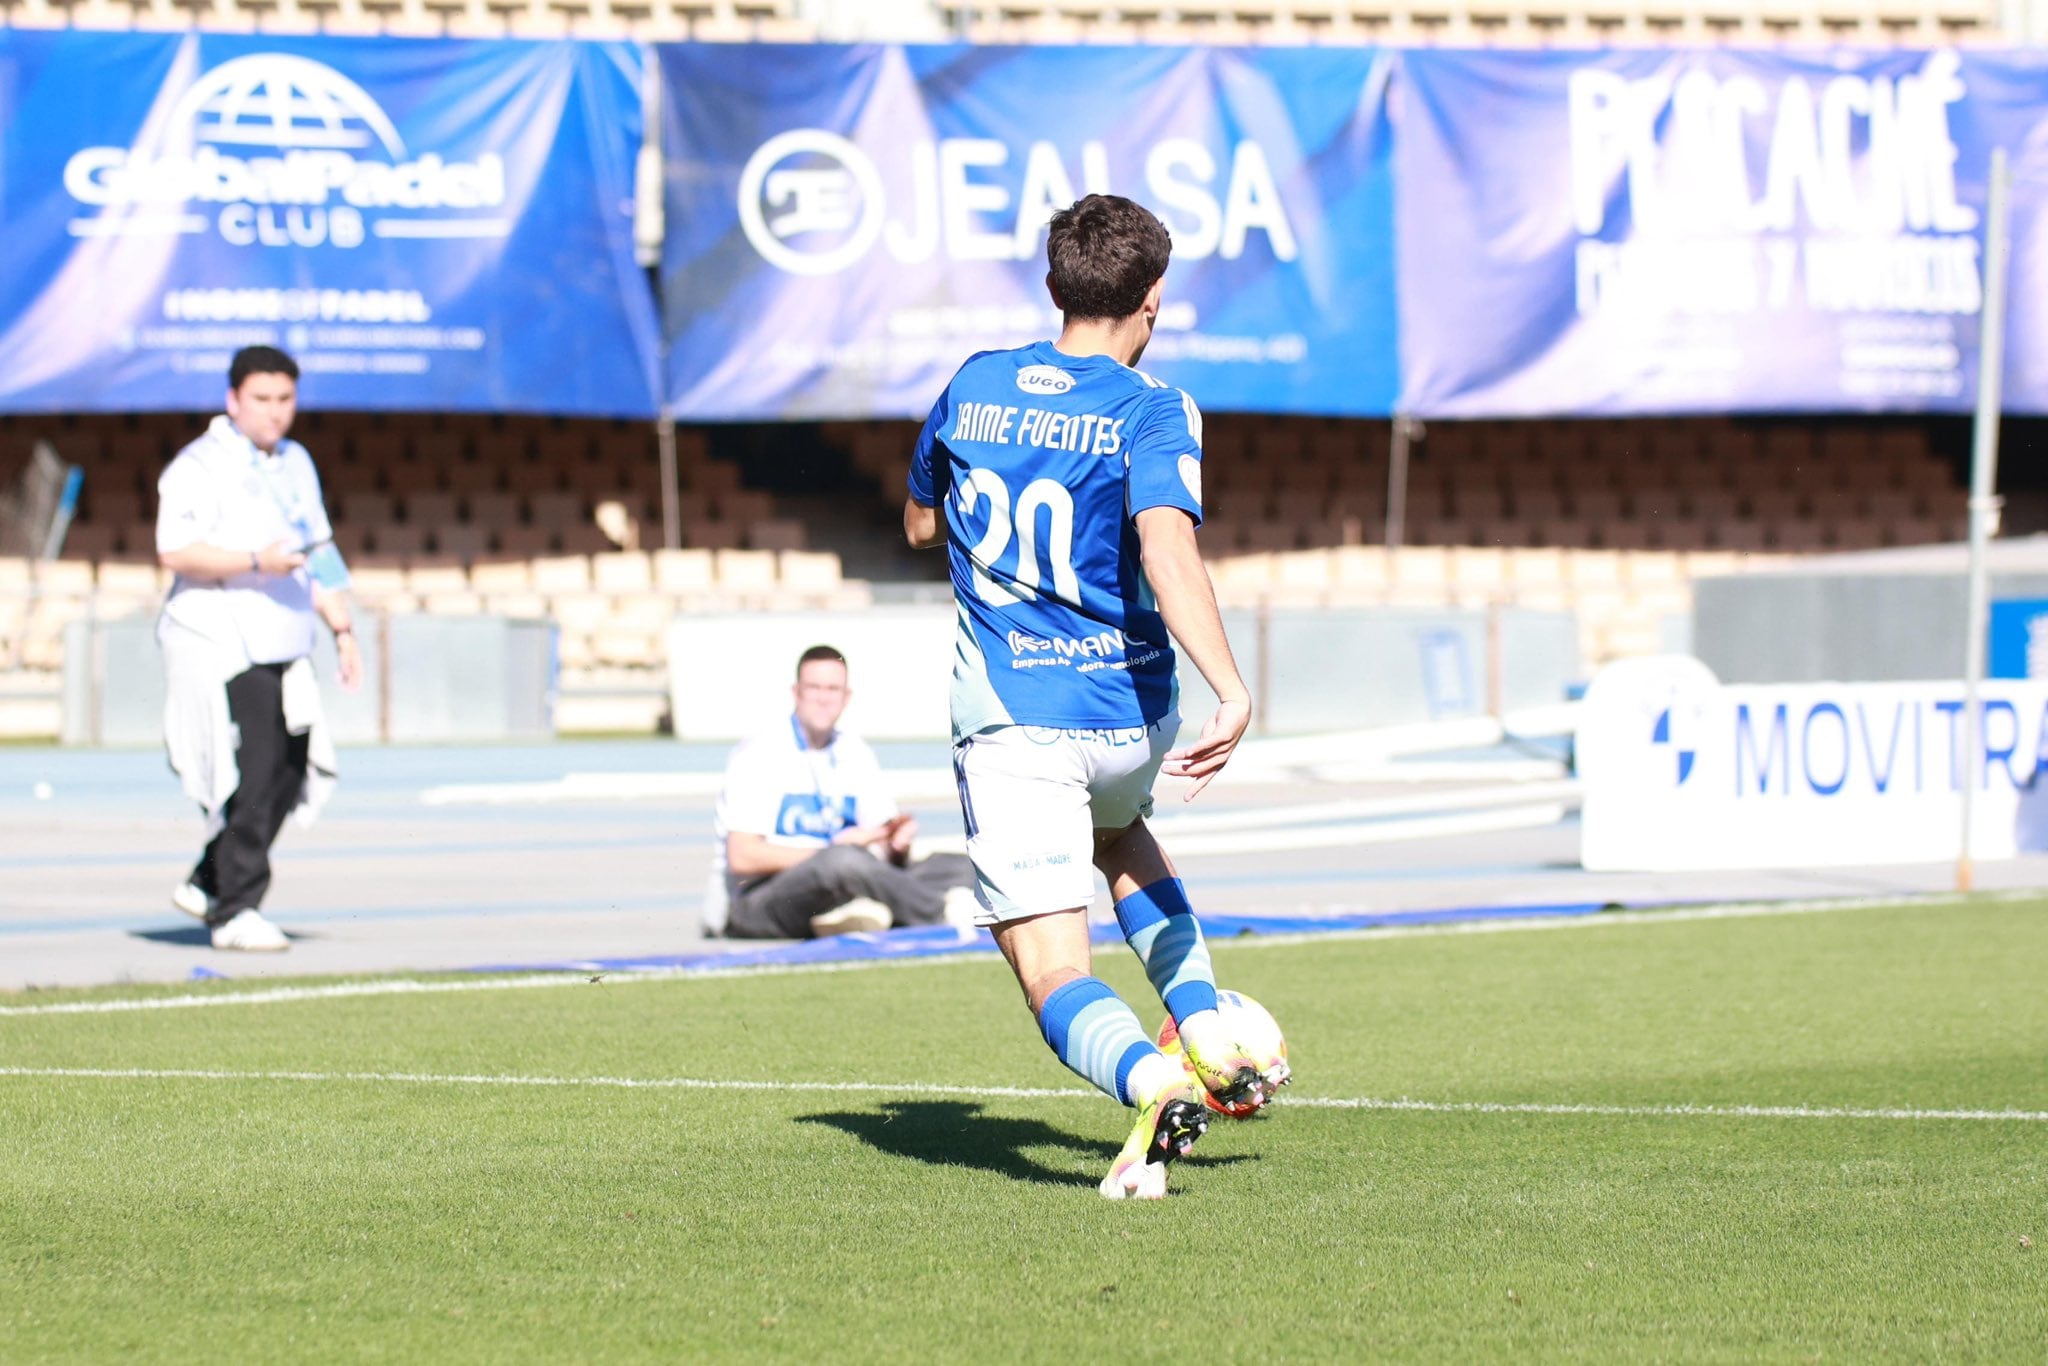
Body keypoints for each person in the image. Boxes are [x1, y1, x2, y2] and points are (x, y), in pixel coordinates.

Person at [904, 193, 1289, 1200]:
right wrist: (1231, 686)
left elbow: (916, 523)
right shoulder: (1154, 407)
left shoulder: (972, 384)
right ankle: (1206, 1026)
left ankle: (1156, 1077)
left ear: (1050, 286)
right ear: (1151, 300)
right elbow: (1166, 540)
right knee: (1120, 835)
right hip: (1128, 713)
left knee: (1051, 973)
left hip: (1013, 718)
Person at [157, 345, 359, 952]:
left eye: (285, 399)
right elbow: (175, 549)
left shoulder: (296, 461)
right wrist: (255, 562)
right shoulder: (199, 465)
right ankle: (236, 909)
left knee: (292, 767)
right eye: (261, 399)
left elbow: (318, 545)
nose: (274, 413)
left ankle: (208, 878)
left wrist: (343, 629)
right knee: (257, 766)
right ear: (233, 400)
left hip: (285, 633)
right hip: (222, 634)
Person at [705, 644, 977, 940]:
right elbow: (743, 857)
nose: (823, 698)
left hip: (843, 878)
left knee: (962, 866)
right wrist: (832, 850)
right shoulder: (759, 753)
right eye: (814, 687)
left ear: (846, 697)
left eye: (833, 689)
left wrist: (895, 843)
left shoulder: (854, 751)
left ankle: (865, 913)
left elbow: (879, 842)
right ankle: (940, 915)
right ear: (796, 692)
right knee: (843, 862)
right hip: (759, 899)